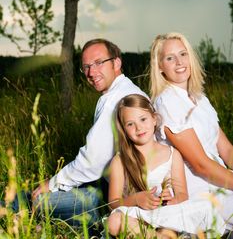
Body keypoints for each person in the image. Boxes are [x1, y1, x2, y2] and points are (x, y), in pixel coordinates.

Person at [32, 39, 147, 227]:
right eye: (86, 67)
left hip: (124, 196)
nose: (91, 73)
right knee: (40, 193)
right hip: (110, 182)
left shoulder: (116, 100)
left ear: (116, 63)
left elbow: (92, 162)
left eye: (99, 63)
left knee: (40, 201)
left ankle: (97, 223)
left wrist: (53, 184)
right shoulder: (124, 90)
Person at [107, 94, 225, 238]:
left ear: (154, 119)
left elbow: (182, 194)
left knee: (202, 210)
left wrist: (171, 201)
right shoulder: (120, 160)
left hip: (167, 215)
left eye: (143, 119)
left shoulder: (172, 154)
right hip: (139, 215)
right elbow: (113, 202)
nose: (138, 128)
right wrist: (136, 199)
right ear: (124, 130)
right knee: (114, 222)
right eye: (130, 124)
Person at [150, 32, 233, 232]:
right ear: (160, 67)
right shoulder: (167, 102)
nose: (179, 62)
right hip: (199, 187)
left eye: (183, 54)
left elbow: (227, 149)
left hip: (220, 177)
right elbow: (200, 165)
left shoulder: (199, 97)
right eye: (170, 58)